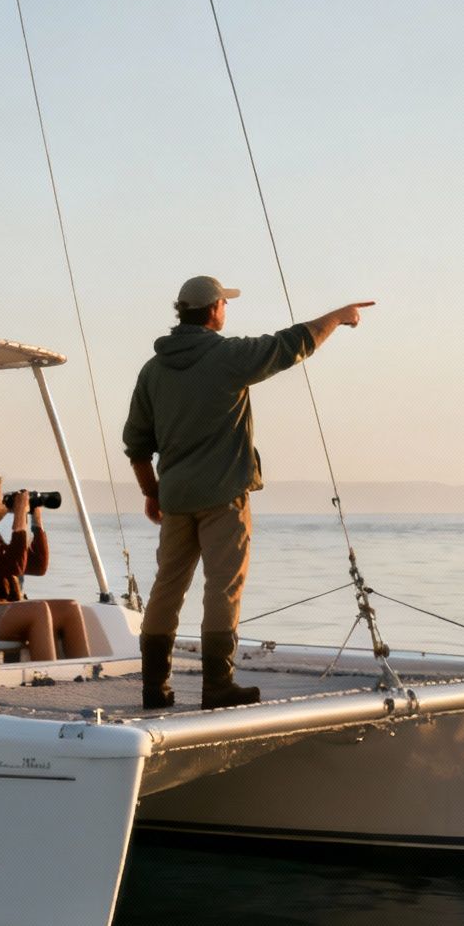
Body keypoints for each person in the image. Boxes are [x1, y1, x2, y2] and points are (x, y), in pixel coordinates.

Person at [122, 274, 373, 709]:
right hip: (224, 497)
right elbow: (290, 345)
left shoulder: (153, 369)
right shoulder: (227, 356)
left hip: (176, 500)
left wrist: (152, 493)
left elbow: (137, 446)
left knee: (166, 589)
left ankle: (154, 688)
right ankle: (218, 686)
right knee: (222, 590)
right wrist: (337, 317)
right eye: (225, 305)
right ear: (215, 309)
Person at [0, 473, 91, 662]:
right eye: (1, 496)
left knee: (69, 608)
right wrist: (19, 518)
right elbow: (13, 566)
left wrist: (36, 521)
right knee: (37, 610)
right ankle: (47, 676)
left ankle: (84, 674)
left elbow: (37, 566)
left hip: (0, 610)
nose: (6, 501)